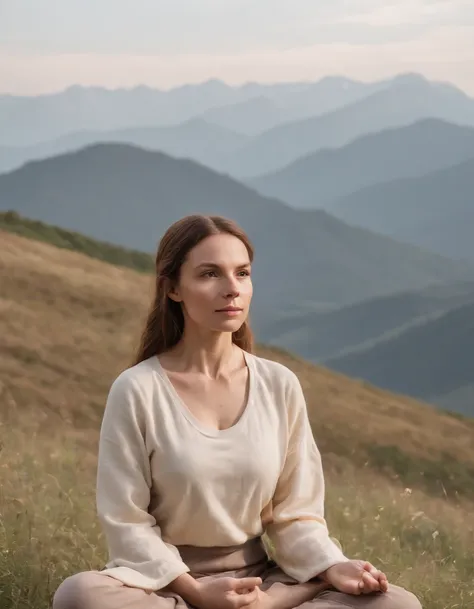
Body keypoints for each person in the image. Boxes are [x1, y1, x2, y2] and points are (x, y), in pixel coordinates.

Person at [52, 215, 422, 609]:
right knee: (81, 595)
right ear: (173, 288)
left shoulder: (279, 384)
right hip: (166, 585)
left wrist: (332, 566)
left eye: (242, 273)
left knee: (396, 603)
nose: (232, 289)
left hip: (261, 582)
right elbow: (126, 521)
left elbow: (297, 515)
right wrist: (195, 592)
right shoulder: (137, 389)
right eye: (210, 274)